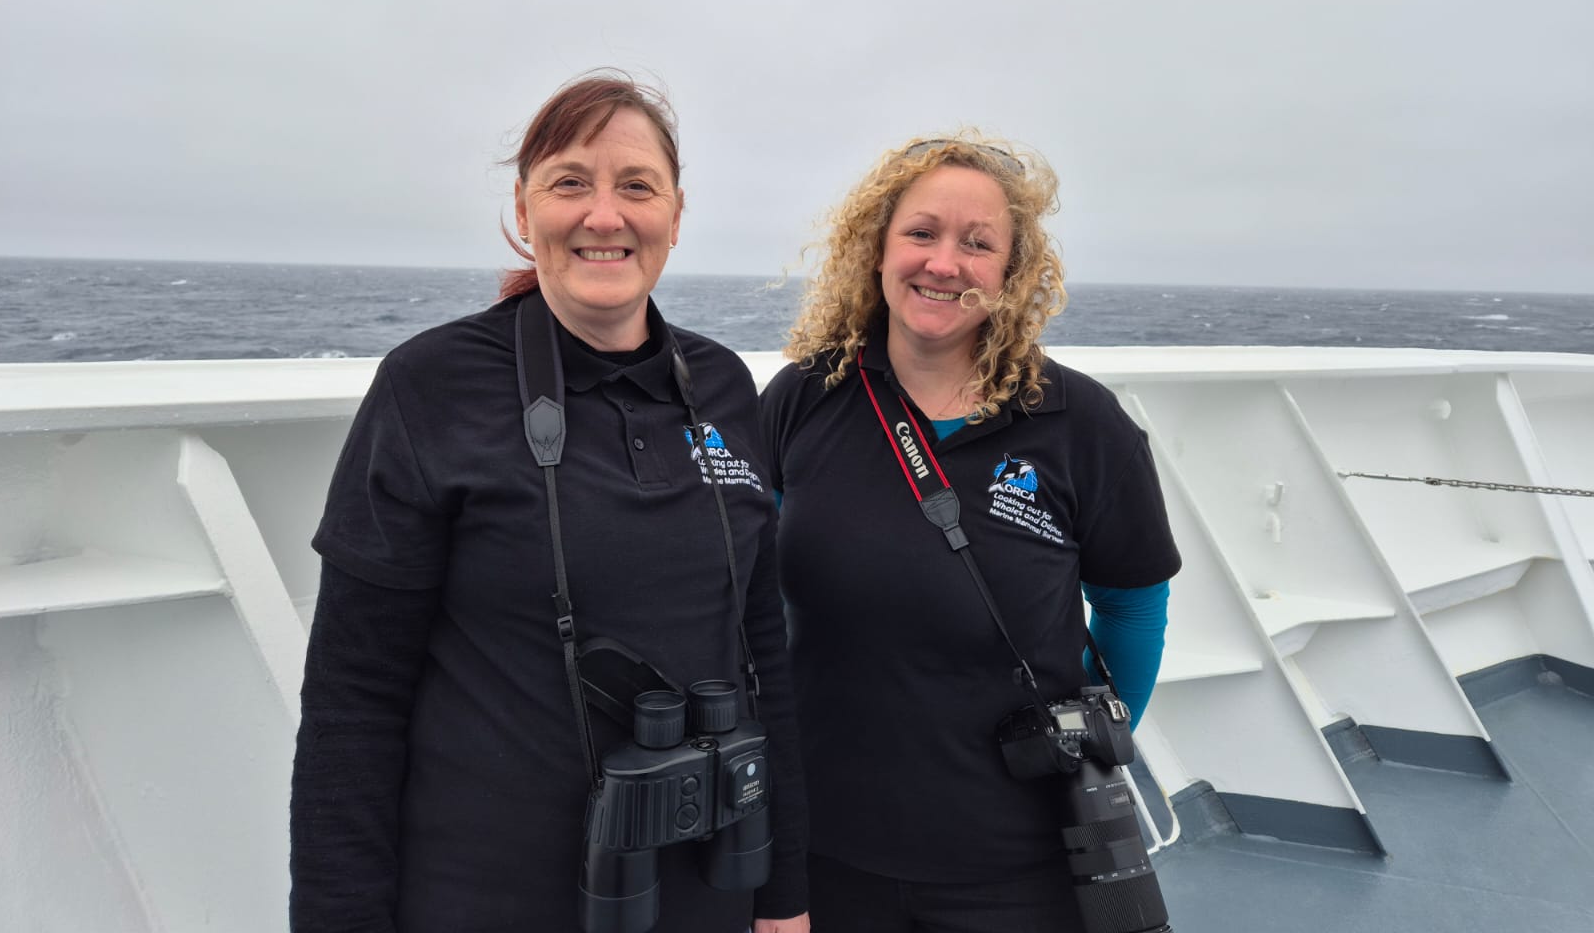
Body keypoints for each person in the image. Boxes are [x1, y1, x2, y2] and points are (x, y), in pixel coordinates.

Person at [290, 73, 809, 933]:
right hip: (483, 896)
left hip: (707, 889)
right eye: (570, 182)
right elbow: (354, 699)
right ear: (525, 214)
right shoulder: (431, 385)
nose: (603, 215)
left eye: (635, 186)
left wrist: (785, 896)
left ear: (675, 216)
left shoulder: (722, 387)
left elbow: (764, 657)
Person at [760, 132, 1180, 932]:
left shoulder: (1081, 425)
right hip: (822, 845)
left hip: (1017, 859)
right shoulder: (803, 400)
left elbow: (1132, 608)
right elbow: (751, 580)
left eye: (977, 244)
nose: (943, 264)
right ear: (876, 249)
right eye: (921, 233)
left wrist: (1085, 753)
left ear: (1012, 272)